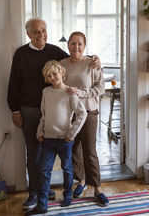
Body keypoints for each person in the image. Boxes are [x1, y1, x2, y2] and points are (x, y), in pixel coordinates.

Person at [7, 18, 100, 210]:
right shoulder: (21, 53)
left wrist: (94, 58)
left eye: (43, 30)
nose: (41, 34)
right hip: (30, 111)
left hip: (56, 110)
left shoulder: (54, 51)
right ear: (29, 34)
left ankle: (45, 188)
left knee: (50, 157)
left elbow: (76, 58)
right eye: (36, 31)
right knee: (34, 154)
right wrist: (15, 109)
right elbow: (13, 83)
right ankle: (34, 192)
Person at [26, 61, 87, 215]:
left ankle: (67, 195)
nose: (52, 77)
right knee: (44, 171)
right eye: (48, 75)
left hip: (65, 140)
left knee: (67, 168)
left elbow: (82, 113)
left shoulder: (70, 92)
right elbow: (44, 114)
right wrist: (40, 132)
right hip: (47, 140)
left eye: (54, 73)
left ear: (61, 72)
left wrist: (71, 134)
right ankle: (42, 205)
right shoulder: (46, 92)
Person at [60, 31, 109, 206]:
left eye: (80, 44)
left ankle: (97, 188)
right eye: (73, 43)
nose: (76, 47)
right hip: (69, 113)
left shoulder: (92, 63)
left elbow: (100, 88)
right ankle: (80, 181)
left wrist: (82, 93)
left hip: (89, 112)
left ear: (85, 46)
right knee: (73, 150)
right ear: (68, 45)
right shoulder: (62, 64)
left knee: (90, 151)